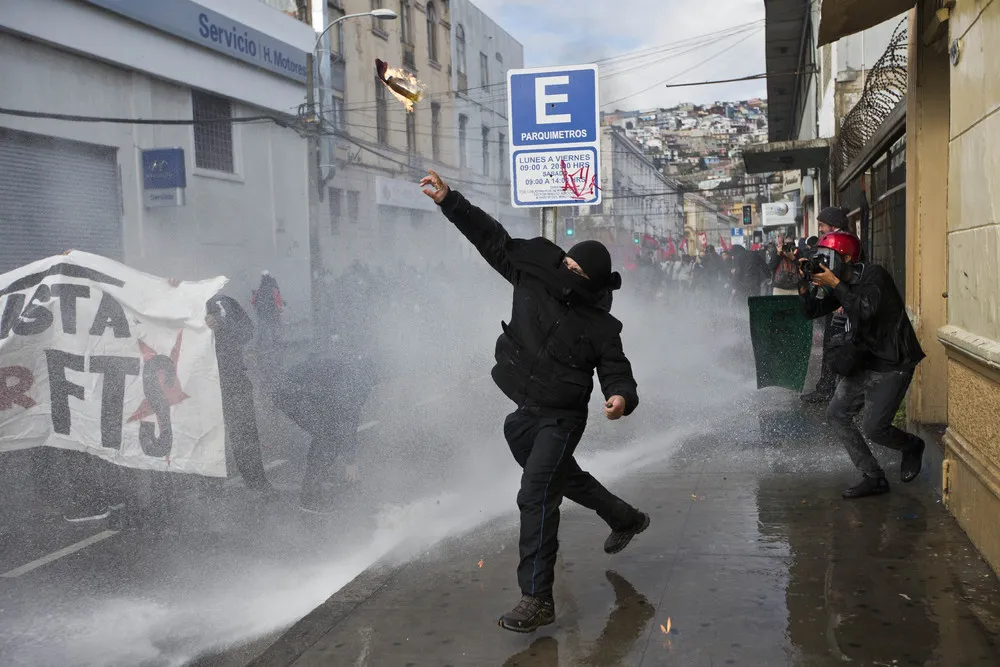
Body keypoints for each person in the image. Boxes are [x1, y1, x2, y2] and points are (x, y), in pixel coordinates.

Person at [420, 170, 649, 634]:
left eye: (579, 273)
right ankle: (625, 517)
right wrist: (450, 201)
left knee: (536, 493)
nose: (568, 273)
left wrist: (620, 397)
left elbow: (616, 369)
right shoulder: (534, 276)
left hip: (563, 418)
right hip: (525, 414)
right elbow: (492, 239)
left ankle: (536, 598)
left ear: (595, 283)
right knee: (562, 479)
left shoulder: (602, 326)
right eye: (568, 265)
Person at [798, 231, 926, 499]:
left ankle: (911, 445)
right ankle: (873, 477)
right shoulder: (840, 282)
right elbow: (812, 312)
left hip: (893, 362)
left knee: (874, 428)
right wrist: (805, 285)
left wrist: (834, 283)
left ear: (844, 257)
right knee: (836, 414)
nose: (821, 261)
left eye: (827, 257)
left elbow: (864, 308)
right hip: (865, 359)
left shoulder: (874, 276)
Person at [274, 339, 378, 512]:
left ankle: (318, 478)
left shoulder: (355, 370)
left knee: (329, 433)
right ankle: (309, 499)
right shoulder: (358, 382)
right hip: (293, 393)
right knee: (328, 438)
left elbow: (343, 414)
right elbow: (348, 419)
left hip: (304, 391)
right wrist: (350, 462)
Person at [206, 292, 277, 500]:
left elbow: (245, 331)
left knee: (242, 433)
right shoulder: (183, 309)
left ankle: (255, 483)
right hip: (207, 384)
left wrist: (220, 322)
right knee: (211, 436)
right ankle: (212, 488)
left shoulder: (218, 302)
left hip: (229, 379)